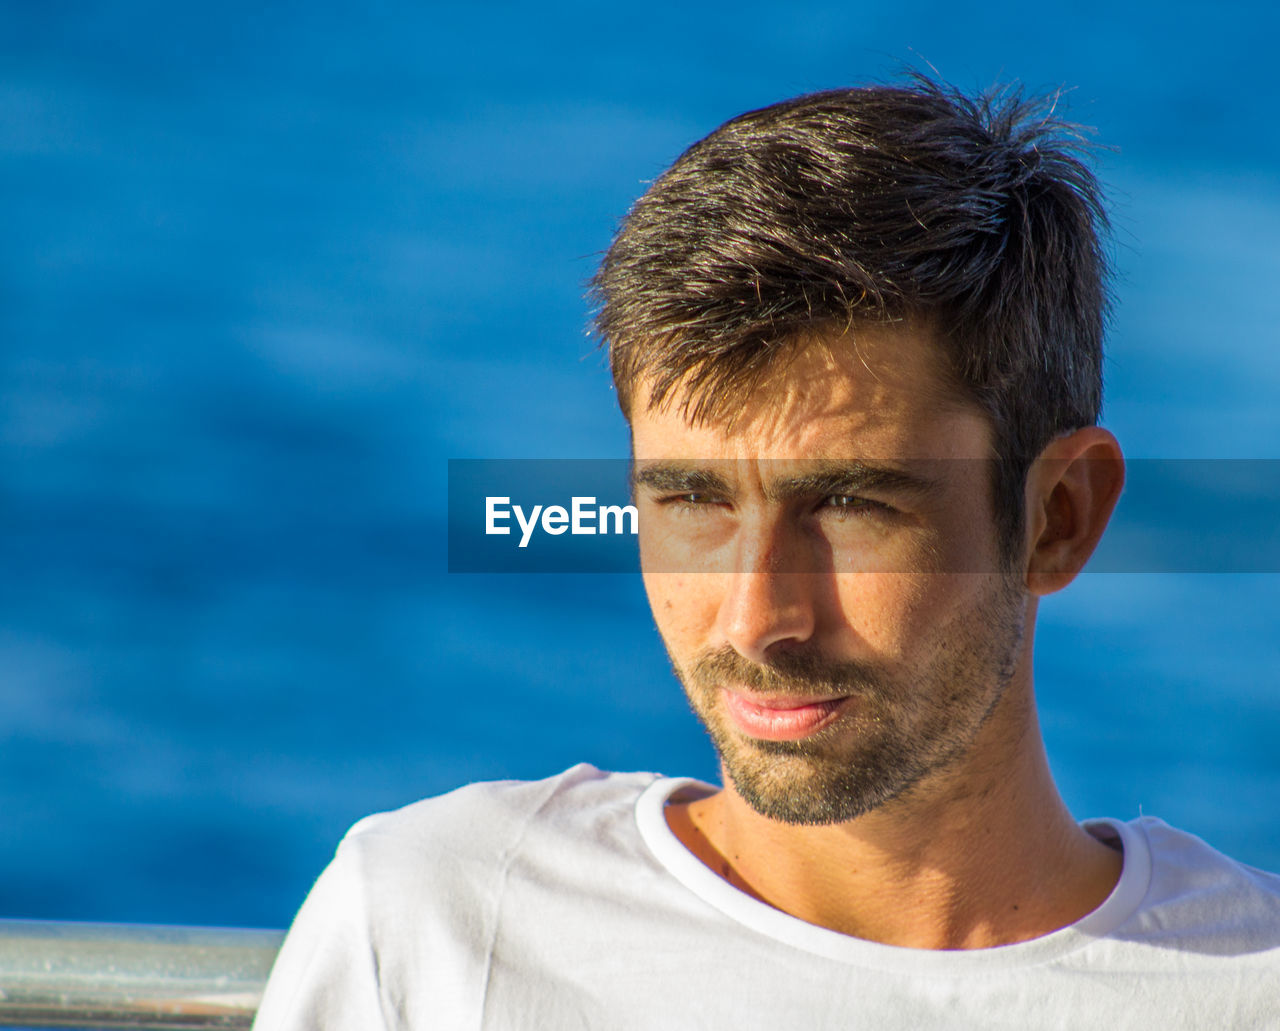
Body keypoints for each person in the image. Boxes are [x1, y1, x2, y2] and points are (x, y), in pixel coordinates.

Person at [252, 77, 1280, 1028]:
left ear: (1058, 515)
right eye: (691, 499)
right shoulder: (437, 924)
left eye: (846, 503)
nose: (753, 618)